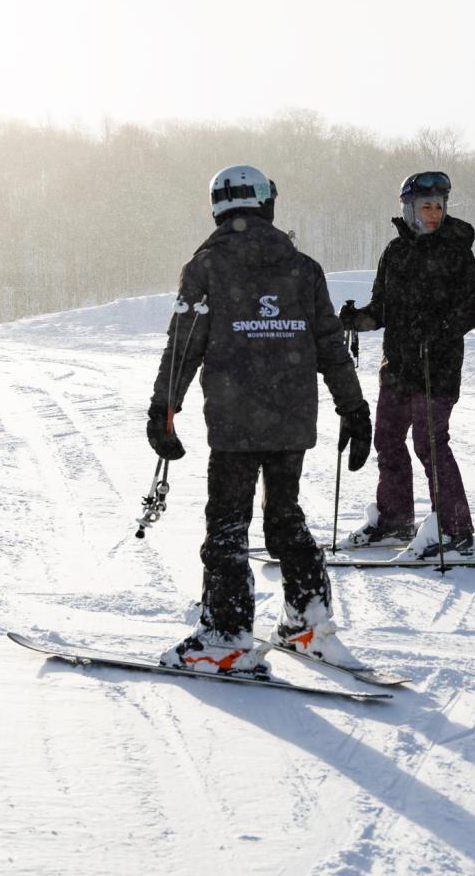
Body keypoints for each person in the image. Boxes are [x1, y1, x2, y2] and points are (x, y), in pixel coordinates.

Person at [146, 164, 373, 675]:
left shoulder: (205, 268)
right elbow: (331, 347)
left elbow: (183, 347)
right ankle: (308, 624)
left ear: (219, 210)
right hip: (291, 422)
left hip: (235, 421)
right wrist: (353, 408)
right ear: (267, 205)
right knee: (285, 520)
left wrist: (164, 411)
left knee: (227, 526)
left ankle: (224, 638)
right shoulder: (305, 269)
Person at [338, 170, 475, 555]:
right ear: (409, 208)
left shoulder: (456, 250)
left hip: (437, 367)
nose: (433, 213)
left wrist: (438, 330)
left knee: (430, 444)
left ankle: (454, 530)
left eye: (438, 206)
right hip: (398, 368)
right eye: (426, 207)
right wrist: (357, 320)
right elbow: (381, 309)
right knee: (387, 441)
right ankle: (395, 521)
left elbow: (472, 309)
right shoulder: (395, 252)